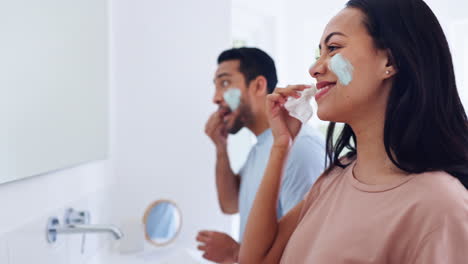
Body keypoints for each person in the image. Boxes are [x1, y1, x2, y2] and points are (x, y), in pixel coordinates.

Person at [239, 0, 468, 263]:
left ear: (389, 61)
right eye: (319, 53)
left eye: (333, 48)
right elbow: (255, 260)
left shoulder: (441, 206)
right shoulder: (334, 178)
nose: (314, 69)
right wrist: (281, 145)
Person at [196, 47, 325, 263]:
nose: (215, 98)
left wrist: (235, 253)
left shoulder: (300, 149)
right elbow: (231, 204)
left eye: (225, 83)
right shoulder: (261, 146)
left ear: (258, 85)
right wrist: (221, 149)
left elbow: (306, 244)